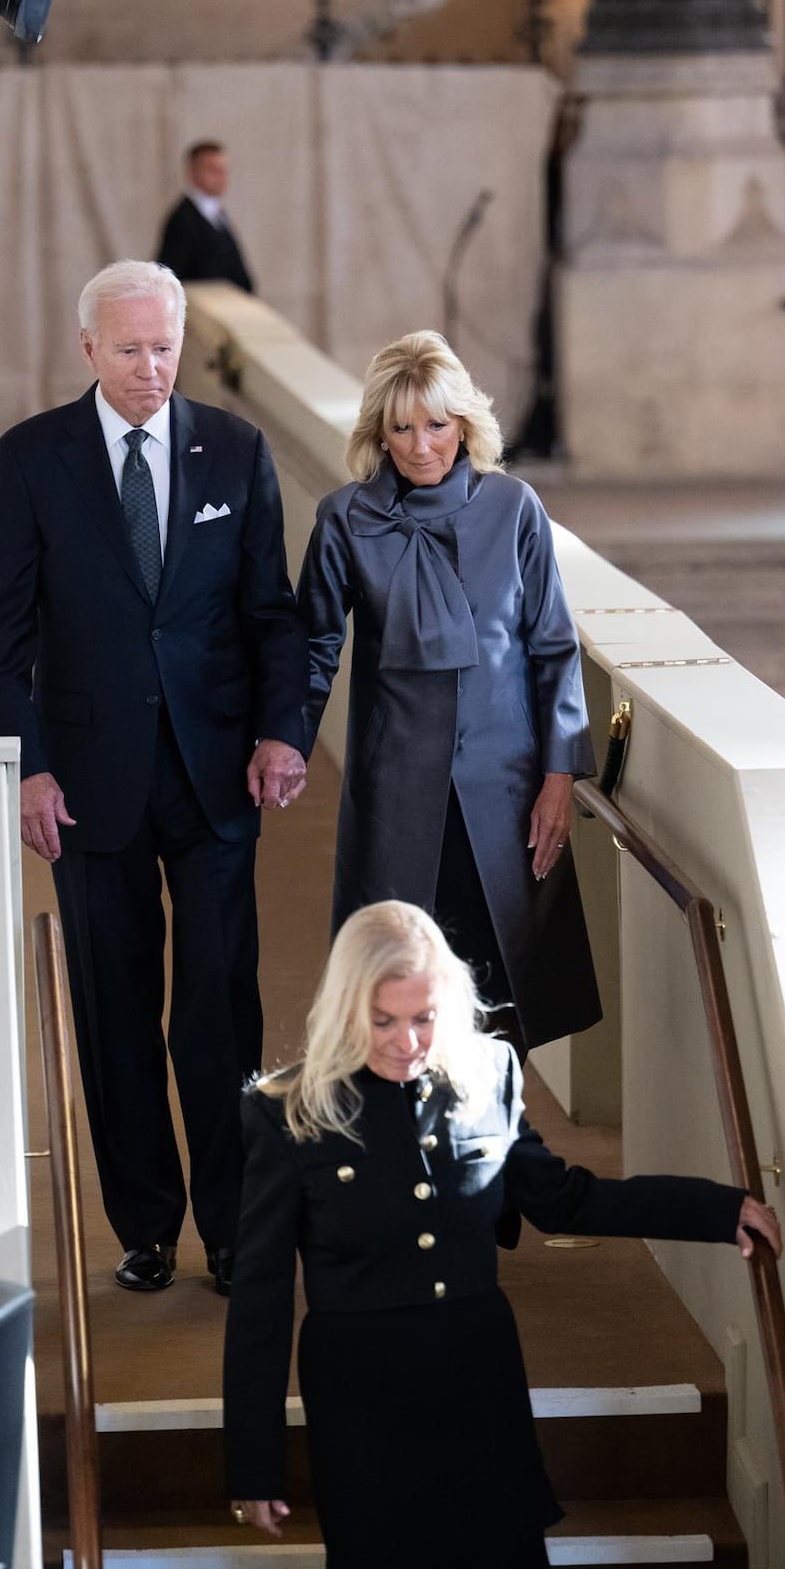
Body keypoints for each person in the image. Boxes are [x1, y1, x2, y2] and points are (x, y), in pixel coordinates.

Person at [223, 901, 781, 1569]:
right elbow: (262, 1298)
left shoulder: (488, 1073)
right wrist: (254, 1462)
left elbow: (564, 1200)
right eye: (383, 1021)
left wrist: (715, 1209)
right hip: (364, 1398)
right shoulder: (287, 1110)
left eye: (424, 1017)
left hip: (478, 1381)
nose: (407, 1042)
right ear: (345, 1010)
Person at [0, 259, 307, 1296]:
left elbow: (272, 616)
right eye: (128, 350)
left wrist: (282, 732)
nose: (150, 368)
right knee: (114, 1011)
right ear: (88, 349)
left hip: (216, 776)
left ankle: (235, 1229)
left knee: (221, 1009)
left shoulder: (236, 450)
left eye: (164, 347)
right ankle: (146, 1226)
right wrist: (28, 770)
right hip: (86, 781)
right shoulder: (31, 459)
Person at [296, 329, 598, 1053]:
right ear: (380, 432)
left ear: (463, 423)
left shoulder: (514, 507)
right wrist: (284, 743)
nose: (421, 445)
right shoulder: (346, 519)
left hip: (508, 788)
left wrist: (560, 778)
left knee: (506, 993)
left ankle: (500, 1123)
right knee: (400, 986)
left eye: (436, 424)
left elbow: (553, 646)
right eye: (402, 427)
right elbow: (310, 646)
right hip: (396, 790)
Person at [156, 140, 254, 292]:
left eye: (224, 170)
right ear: (193, 172)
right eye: (213, 170)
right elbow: (171, 276)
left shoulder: (218, 215)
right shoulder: (183, 219)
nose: (221, 176)